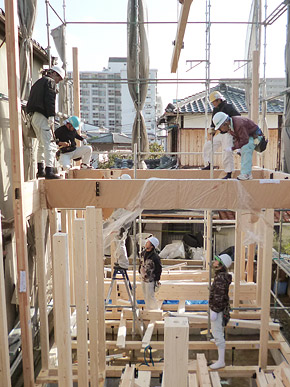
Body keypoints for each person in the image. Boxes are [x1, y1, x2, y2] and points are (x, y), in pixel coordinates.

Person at [26, 65, 65, 179]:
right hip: (42, 116)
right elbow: (50, 100)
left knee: (42, 144)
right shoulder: (49, 82)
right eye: (59, 79)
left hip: (33, 117)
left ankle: (41, 170)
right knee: (50, 144)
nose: (58, 82)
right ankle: (49, 171)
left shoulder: (38, 83)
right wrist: (51, 116)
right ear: (54, 74)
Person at [213, 112, 263, 180]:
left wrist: (233, 148)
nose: (221, 130)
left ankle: (246, 174)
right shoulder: (231, 127)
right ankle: (247, 173)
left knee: (246, 147)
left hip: (257, 137)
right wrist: (238, 147)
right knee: (243, 149)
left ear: (225, 123)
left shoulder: (239, 124)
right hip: (249, 136)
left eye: (220, 128)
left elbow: (245, 140)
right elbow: (237, 138)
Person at [202, 91, 241, 179]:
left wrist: (234, 131)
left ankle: (229, 172)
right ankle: (209, 164)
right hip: (220, 133)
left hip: (229, 134)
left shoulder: (229, 107)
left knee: (227, 152)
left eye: (214, 102)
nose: (213, 104)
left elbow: (238, 118)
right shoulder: (215, 110)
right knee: (208, 146)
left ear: (219, 100)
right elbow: (213, 123)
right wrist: (211, 133)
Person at [209, 254, 233, 370]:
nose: (214, 262)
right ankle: (217, 337)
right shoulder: (221, 276)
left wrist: (215, 310)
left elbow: (219, 296)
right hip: (220, 308)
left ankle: (221, 361)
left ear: (220, 264)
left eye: (216, 261)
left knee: (217, 331)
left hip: (218, 309)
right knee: (218, 329)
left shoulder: (220, 278)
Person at [139, 236, 162, 310]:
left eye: (148, 242)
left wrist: (157, 279)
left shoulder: (155, 257)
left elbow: (159, 268)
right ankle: (148, 309)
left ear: (152, 246)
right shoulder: (143, 253)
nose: (146, 243)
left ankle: (155, 310)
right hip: (143, 278)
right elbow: (141, 263)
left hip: (150, 279)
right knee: (145, 295)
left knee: (150, 296)